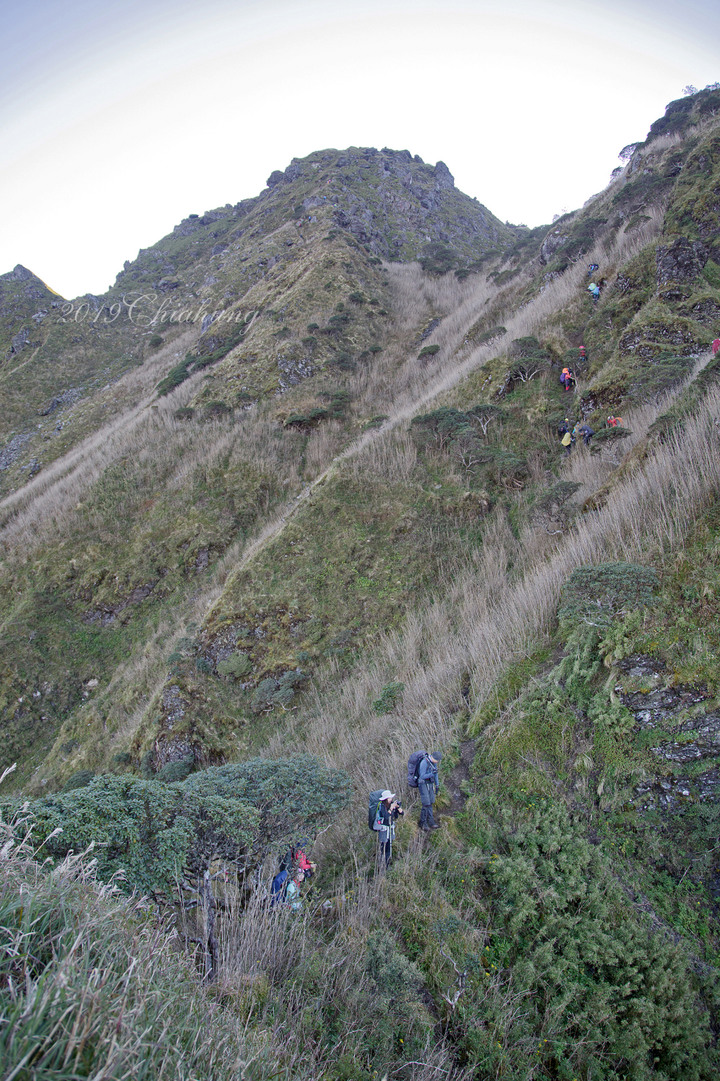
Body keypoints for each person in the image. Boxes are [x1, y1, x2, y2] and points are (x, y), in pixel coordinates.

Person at [374, 790, 404, 867]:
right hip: (383, 829)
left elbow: (399, 814)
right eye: (390, 798)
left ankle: (387, 863)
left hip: (390, 828)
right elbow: (386, 816)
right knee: (383, 847)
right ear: (386, 799)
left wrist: (398, 809)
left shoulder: (391, 804)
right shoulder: (382, 806)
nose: (391, 799)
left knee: (388, 847)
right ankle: (382, 863)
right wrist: (391, 808)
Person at [418, 752, 442, 831]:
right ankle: (423, 823)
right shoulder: (424, 763)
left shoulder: (433, 763)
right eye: (437, 760)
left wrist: (437, 785)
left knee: (431, 802)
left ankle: (431, 822)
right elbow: (422, 776)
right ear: (433, 758)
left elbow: (436, 774)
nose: (437, 762)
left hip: (430, 784)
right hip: (423, 784)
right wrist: (431, 774)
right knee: (426, 803)